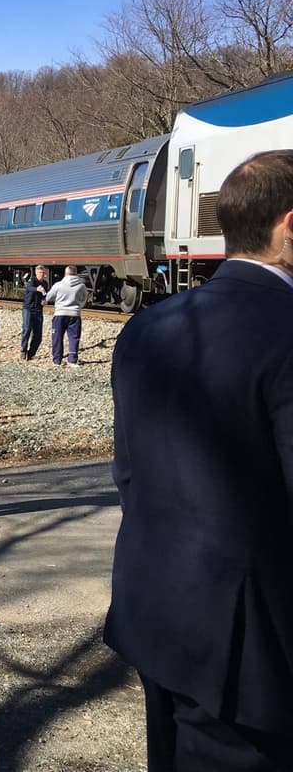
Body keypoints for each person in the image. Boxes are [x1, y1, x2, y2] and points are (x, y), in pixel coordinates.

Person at [106, 150, 293, 771]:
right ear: (289, 226)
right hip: (253, 647)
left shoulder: (148, 327)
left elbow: (130, 475)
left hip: (157, 612)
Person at [44, 266, 89, 366]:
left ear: (65, 274)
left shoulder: (58, 285)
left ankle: (57, 360)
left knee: (57, 337)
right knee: (74, 337)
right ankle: (72, 360)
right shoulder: (81, 286)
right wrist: (79, 307)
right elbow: (84, 298)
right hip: (75, 314)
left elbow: (49, 297)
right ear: (76, 274)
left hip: (60, 314)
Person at [20, 265, 47, 360]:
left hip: (38, 309)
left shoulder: (45, 283)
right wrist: (36, 289)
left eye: (43, 273)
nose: (42, 275)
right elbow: (29, 287)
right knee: (27, 329)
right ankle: (23, 350)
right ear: (36, 273)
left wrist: (44, 300)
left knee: (38, 334)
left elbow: (45, 294)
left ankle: (31, 353)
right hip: (28, 308)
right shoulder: (32, 280)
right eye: (40, 273)